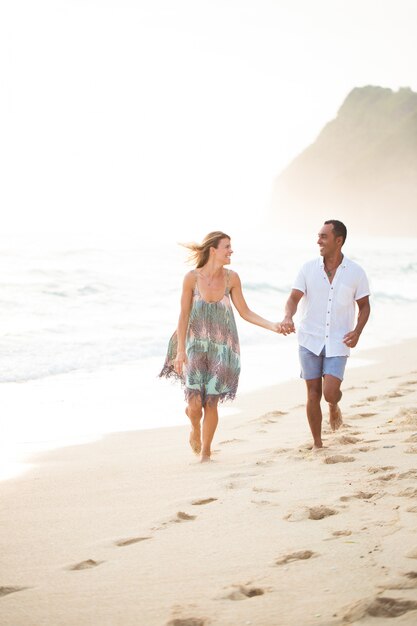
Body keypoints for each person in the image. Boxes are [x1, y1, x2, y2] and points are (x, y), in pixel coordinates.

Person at [159, 231, 281, 462]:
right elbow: (184, 315)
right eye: (227, 247)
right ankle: (194, 427)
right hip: (194, 345)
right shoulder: (191, 278)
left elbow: (245, 312)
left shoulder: (231, 278)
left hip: (223, 348)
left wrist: (272, 326)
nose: (231, 251)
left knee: (211, 401)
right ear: (213, 250)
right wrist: (180, 352)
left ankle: (206, 452)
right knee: (194, 405)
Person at [280, 220, 370, 449]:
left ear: (338, 241)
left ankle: (333, 406)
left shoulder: (356, 272)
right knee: (313, 393)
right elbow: (292, 299)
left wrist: (357, 331)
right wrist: (288, 316)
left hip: (339, 341)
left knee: (330, 393)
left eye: (323, 237)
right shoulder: (308, 268)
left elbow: (365, 306)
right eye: (318, 236)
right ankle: (318, 443)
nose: (318, 240)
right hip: (309, 339)